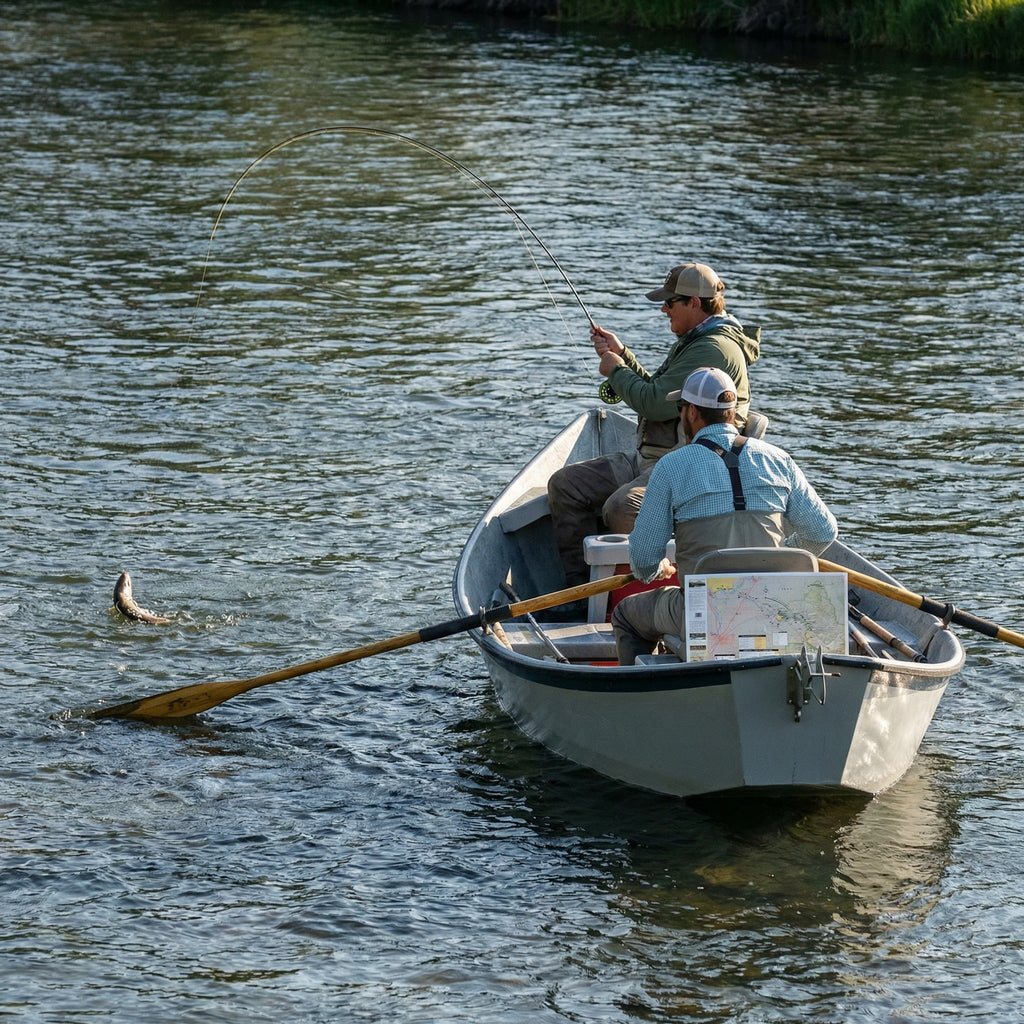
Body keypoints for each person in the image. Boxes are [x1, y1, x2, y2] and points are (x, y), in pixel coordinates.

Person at [547, 261, 761, 588]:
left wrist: (617, 371)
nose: (663, 309)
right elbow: (663, 392)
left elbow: (653, 403)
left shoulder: (713, 347)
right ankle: (580, 593)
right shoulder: (697, 338)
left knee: (623, 508)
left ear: (694, 302)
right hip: (652, 457)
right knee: (567, 485)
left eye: (670, 302)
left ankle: (649, 592)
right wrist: (624, 356)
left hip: (685, 464)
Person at [611, 366, 838, 666]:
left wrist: (658, 569)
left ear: (691, 413)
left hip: (704, 613)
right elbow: (823, 532)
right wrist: (781, 557)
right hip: (773, 606)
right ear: (732, 412)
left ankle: (644, 696)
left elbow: (642, 559)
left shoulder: (671, 466)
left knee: (626, 614)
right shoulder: (779, 459)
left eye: (681, 409)